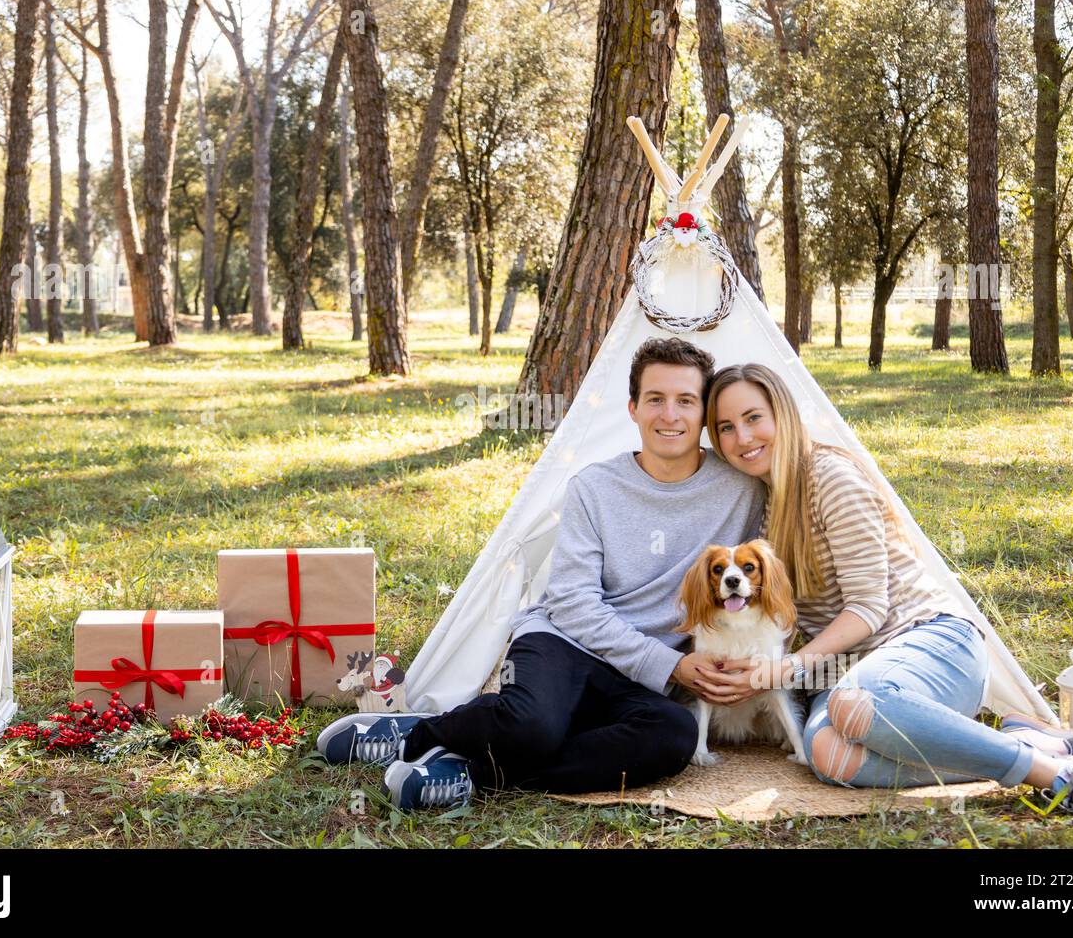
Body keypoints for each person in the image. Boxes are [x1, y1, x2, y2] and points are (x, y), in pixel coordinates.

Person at [316, 337, 768, 810]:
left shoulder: (741, 487)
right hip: (566, 641)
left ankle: (472, 769)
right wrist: (672, 665)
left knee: (674, 737)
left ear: (703, 413)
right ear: (632, 408)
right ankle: (415, 733)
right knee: (533, 723)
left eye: (686, 401)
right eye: (655, 399)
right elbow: (572, 604)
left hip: (641, 677)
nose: (670, 415)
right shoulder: (594, 488)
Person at [701, 362, 1073, 828]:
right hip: (848, 671)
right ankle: (1034, 743)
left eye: (754, 418)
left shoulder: (830, 478)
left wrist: (788, 666)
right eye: (726, 428)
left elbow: (867, 607)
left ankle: (1063, 776)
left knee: (858, 700)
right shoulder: (764, 502)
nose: (742, 438)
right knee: (825, 754)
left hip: (930, 642)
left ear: (783, 415)